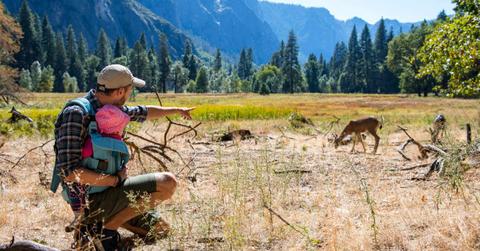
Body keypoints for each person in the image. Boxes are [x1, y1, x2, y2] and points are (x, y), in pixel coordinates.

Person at [50, 64, 194, 250]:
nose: (130, 95)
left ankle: (101, 226)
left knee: (159, 230)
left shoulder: (113, 109)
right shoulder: (77, 114)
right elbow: (69, 173)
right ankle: (105, 229)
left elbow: (144, 112)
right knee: (168, 182)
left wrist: (176, 110)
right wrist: (115, 180)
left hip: (112, 190)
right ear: (119, 91)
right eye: (129, 90)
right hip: (89, 200)